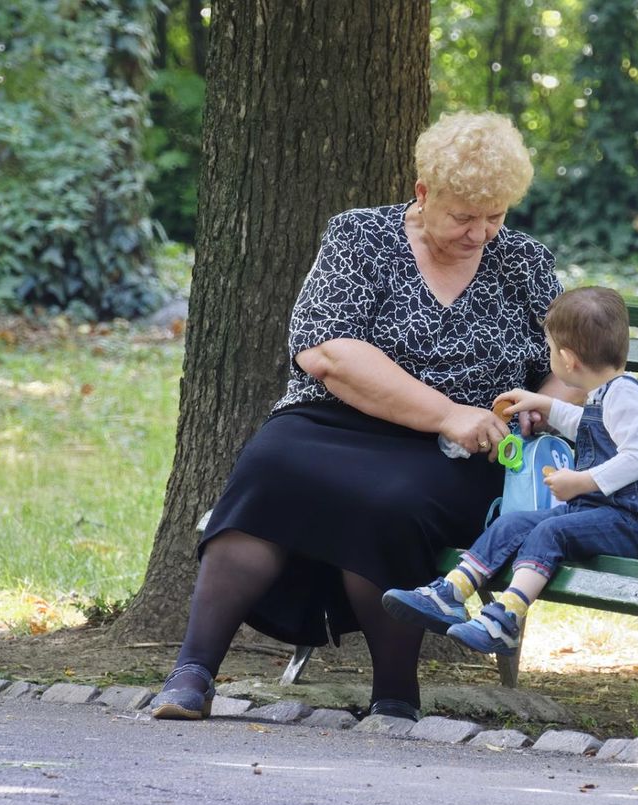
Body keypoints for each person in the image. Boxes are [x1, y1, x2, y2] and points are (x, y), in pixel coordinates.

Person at [148, 111, 569, 723]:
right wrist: (445, 412)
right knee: (270, 466)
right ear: (424, 194)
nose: (480, 232)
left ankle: (395, 694)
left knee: (392, 501)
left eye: (495, 216)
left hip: (459, 454)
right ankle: (192, 672)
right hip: (335, 421)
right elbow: (326, 352)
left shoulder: (524, 262)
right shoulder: (360, 238)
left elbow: (565, 361)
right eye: (463, 216)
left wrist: (543, 403)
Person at [382, 286, 638, 654]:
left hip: (630, 523)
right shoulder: (607, 393)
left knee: (552, 530)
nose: (549, 355)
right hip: (598, 514)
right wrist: (544, 404)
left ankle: (506, 619)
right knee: (511, 523)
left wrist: (581, 482)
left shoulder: (626, 397)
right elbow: (586, 425)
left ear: (567, 360)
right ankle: (450, 592)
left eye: (550, 350)